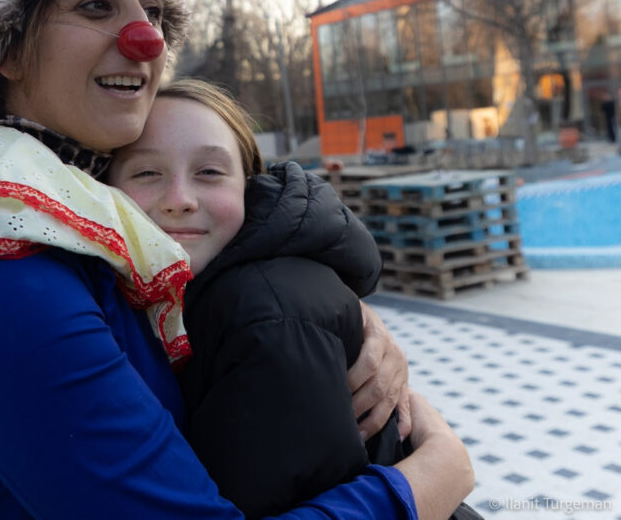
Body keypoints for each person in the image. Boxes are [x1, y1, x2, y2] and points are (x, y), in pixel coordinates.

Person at [0, 0, 473, 519]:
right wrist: (424, 481)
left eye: (152, 9)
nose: (144, 38)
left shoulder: (81, 222)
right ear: (7, 48)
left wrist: (331, 320)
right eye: (96, 5)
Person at [109, 80, 477, 519]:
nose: (180, 200)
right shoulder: (189, 295)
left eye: (209, 172)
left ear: (248, 185)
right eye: (146, 173)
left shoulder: (267, 317)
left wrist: (444, 464)